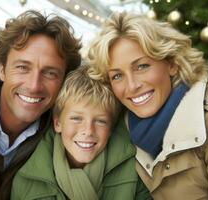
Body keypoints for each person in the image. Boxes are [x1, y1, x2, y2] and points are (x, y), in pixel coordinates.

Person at [87, 12, 208, 200]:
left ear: (171, 64)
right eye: (117, 76)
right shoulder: (120, 127)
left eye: (142, 66)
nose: (132, 86)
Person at [0, 10, 81, 200]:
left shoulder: (67, 136)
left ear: (63, 81)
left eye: (50, 73)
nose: (34, 86)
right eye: (22, 67)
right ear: (2, 70)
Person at [10, 65, 152, 200]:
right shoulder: (27, 181)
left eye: (100, 121)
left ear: (110, 128)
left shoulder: (134, 168)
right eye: (76, 119)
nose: (88, 131)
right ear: (58, 123)